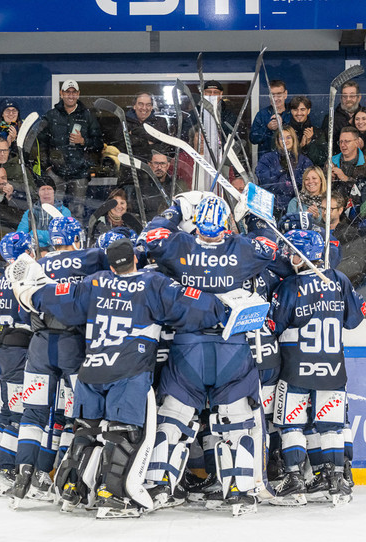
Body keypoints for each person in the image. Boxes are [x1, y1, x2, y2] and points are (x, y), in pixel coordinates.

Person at [7, 236, 229, 517]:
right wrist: (225, 305)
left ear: (111, 264)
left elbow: (55, 298)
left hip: (91, 372)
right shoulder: (153, 283)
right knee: (123, 436)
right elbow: (191, 306)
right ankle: (113, 496)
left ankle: (73, 491)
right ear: (135, 259)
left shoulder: (95, 282)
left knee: (86, 432)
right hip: (128, 372)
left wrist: (29, 290)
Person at [142, 193, 288, 515]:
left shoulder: (181, 245)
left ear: (196, 223)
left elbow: (151, 236)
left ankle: (159, 484)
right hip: (232, 346)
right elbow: (269, 244)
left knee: (174, 419)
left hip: (187, 347)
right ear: (225, 225)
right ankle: (238, 490)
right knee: (236, 422)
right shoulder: (239, 249)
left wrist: (176, 208)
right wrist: (252, 216)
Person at [8, 216, 108, 509]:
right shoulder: (88, 257)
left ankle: (23, 474)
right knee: (76, 415)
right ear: (76, 236)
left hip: (39, 347)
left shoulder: (37, 264)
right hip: (72, 347)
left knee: (33, 414)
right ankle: (68, 484)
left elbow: (24, 307)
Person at [267, 229, 365, 506]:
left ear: (305, 255)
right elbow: (355, 319)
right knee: (332, 427)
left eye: (293, 252)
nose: (289, 257)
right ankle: (335, 480)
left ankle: (295, 481)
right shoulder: (340, 279)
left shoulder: (289, 286)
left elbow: (274, 325)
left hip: (297, 366)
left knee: (291, 425)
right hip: (333, 367)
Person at [0, 232, 35, 497]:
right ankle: (6, 472)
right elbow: (29, 317)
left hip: (5, 350)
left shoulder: (3, 279)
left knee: (6, 413)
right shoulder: (20, 277)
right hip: (18, 352)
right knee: (16, 416)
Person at [37, 79, 103, 221]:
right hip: (56, 172)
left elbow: (99, 143)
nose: (71, 95)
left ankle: (75, 241)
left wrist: (83, 141)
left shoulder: (87, 116)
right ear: (61, 94)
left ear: (78, 94)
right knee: (53, 210)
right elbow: (41, 144)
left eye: (74, 92)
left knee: (77, 211)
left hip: (80, 173)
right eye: (67, 92)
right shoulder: (51, 115)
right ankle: (52, 240)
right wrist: (47, 167)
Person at [255, 126, 313, 214]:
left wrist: (291, 188)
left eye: (288, 137)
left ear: (294, 139)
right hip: (271, 206)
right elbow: (264, 181)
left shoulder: (304, 161)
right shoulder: (267, 158)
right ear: (277, 141)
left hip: (296, 207)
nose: (285, 141)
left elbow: (307, 186)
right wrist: (280, 172)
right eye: (282, 138)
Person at [17, 176, 72, 253]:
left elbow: (61, 237)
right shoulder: (30, 212)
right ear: (38, 193)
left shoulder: (64, 212)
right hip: (35, 255)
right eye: (43, 189)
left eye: (49, 189)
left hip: (57, 254)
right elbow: (19, 236)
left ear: (54, 192)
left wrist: (34, 233)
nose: (46, 193)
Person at [318, 81, 362, 157]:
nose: (348, 99)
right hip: (338, 161)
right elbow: (325, 145)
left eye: (352, 96)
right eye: (345, 96)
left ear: (359, 97)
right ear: (340, 98)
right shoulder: (331, 118)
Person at [250, 79, 292, 158]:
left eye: (279, 94)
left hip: (290, 161)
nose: (275, 99)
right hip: (267, 162)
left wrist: (283, 124)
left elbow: (297, 135)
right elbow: (253, 139)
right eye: (272, 95)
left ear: (285, 94)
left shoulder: (293, 113)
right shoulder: (262, 114)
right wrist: (267, 128)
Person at [329, 126, 366, 198]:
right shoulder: (331, 162)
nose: (342, 145)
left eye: (347, 141)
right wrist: (330, 179)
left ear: (356, 142)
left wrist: (346, 179)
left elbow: (365, 188)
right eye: (341, 142)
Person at [287, 96, 319, 161]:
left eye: (302, 109)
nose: (299, 113)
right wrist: (300, 146)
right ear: (291, 111)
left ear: (308, 111)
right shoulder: (284, 131)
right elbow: (279, 157)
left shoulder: (317, 132)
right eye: (295, 110)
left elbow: (320, 159)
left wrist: (309, 143)